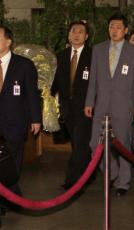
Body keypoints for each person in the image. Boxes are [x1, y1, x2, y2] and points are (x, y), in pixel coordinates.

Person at [84, 13, 134, 197]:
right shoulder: (98, 49)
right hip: (101, 105)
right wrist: (89, 102)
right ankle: (114, 172)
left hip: (124, 106)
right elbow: (93, 79)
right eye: (111, 27)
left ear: (125, 30)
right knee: (95, 144)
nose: (114, 30)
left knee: (124, 145)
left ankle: (123, 183)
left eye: (119, 27)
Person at [0, 25, 42, 188]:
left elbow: (32, 94)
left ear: (8, 41)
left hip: (15, 122)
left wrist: (36, 119)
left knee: (13, 161)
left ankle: (11, 196)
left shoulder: (24, 65)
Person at [51, 21, 93, 190]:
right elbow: (54, 82)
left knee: (80, 142)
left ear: (86, 36)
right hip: (67, 109)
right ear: (69, 35)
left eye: (81, 31)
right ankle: (89, 174)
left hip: (86, 108)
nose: (76, 34)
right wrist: (46, 95)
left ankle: (73, 180)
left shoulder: (93, 55)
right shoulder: (60, 56)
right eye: (73, 31)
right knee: (77, 144)